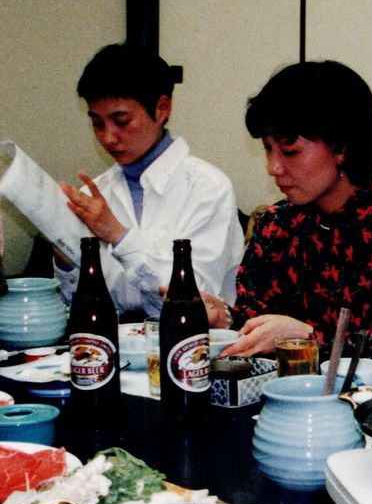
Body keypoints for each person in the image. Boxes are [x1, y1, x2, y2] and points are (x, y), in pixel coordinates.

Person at [216, 60, 372, 371]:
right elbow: (255, 318)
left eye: (290, 151)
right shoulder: (276, 225)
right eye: (268, 149)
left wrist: (308, 339)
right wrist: (225, 317)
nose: (273, 167)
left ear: (341, 147)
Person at [1, 43, 242, 314]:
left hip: (196, 337)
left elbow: (195, 302)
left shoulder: (208, 188)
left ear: (162, 109)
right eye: (97, 123)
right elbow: (81, 306)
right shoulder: (96, 193)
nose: (108, 137)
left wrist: (118, 235)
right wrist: (65, 254)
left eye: (121, 121)